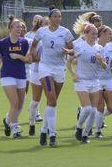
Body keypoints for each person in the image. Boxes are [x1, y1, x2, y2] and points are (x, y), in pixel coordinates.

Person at [28, 8, 74, 147]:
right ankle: (52, 134)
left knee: (52, 102)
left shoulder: (65, 32)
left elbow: (73, 50)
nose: (58, 18)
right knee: (52, 99)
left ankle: (43, 131)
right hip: (45, 68)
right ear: (50, 18)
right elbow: (34, 46)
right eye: (55, 16)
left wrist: (69, 51)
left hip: (59, 69)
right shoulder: (42, 31)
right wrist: (31, 55)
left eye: (59, 16)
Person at [65, 22, 107, 144]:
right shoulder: (79, 47)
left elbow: (104, 67)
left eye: (96, 33)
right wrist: (73, 74)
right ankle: (79, 127)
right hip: (82, 81)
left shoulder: (99, 48)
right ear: (86, 34)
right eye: (92, 33)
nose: (95, 36)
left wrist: (101, 61)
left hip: (95, 81)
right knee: (87, 108)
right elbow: (69, 62)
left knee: (93, 111)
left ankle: (84, 135)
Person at [0, 17, 30, 138]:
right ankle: (15, 129)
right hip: (7, 75)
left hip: (21, 75)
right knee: (15, 102)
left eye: (21, 27)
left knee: (20, 104)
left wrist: (18, 56)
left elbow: (28, 59)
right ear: (10, 28)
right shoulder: (3, 43)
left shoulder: (24, 42)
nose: (20, 29)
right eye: (17, 26)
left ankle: (7, 120)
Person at [25, 15, 47, 135]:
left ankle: (47, 128)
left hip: (51, 73)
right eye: (44, 23)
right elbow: (31, 57)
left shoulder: (56, 36)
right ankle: (32, 123)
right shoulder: (34, 38)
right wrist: (44, 59)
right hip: (37, 71)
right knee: (35, 100)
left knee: (51, 100)